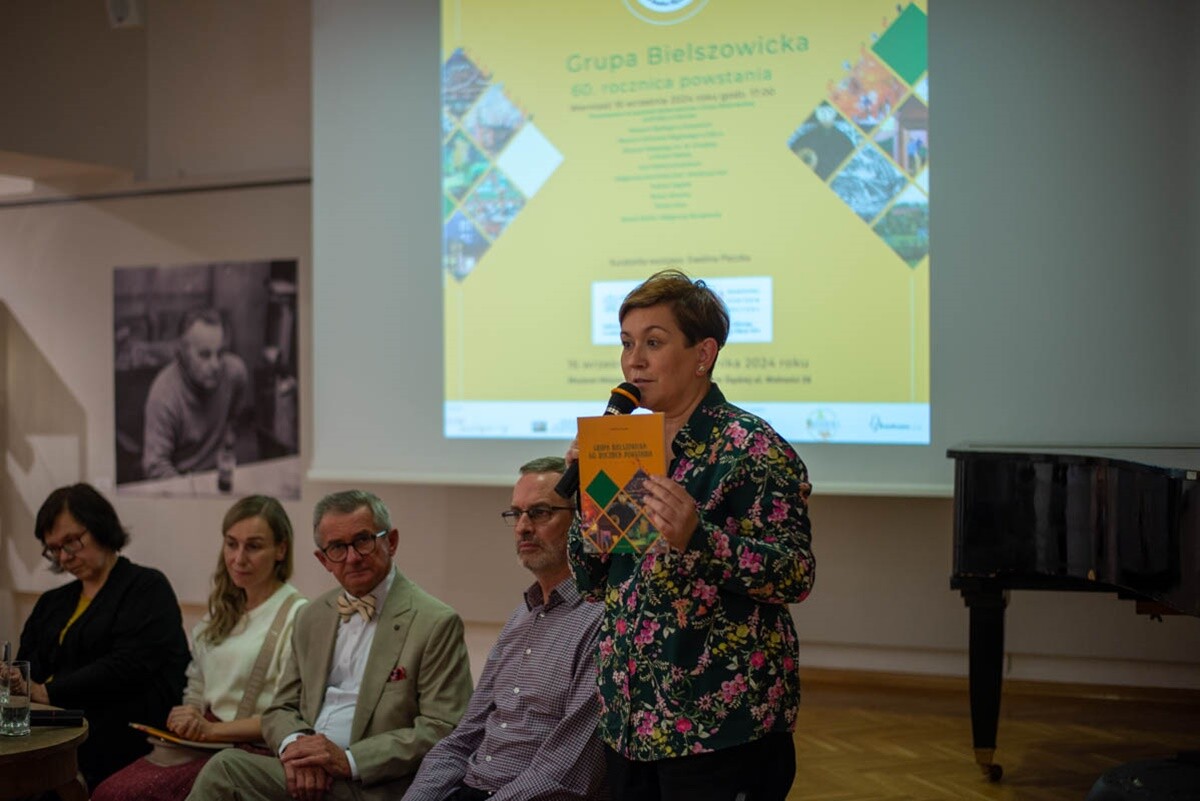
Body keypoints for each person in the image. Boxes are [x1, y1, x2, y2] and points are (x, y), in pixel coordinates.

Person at [568, 269, 816, 801]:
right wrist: (585, 498)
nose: (634, 361)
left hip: (719, 729)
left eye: (653, 343)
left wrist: (700, 540)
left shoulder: (750, 447)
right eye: (627, 343)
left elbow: (795, 575)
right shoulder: (625, 445)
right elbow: (592, 580)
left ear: (703, 354)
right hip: (630, 723)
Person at [186, 489, 473, 801]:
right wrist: (297, 748)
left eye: (363, 540)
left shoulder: (434, 622)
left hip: (375, 783)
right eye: (337, 547)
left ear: (391, 542)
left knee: (225, 770)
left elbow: (444, 728)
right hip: (305, 772)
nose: (352, 557)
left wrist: (349, 761)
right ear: (323, 560)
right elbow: (280, 708)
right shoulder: (312, 616)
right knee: (226, 768)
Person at [402, 457, 607, 801]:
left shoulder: (601, 620)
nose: (523, 527)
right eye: (516, 513)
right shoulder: (520, 618)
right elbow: (463, 739)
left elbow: (566, 772)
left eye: (540, 512)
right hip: (472, 787)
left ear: (583, 521)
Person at [91, 495, 308, 801]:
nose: (238, 558)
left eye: (254, 546)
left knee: (123, 794)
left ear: (281, 550)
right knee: (107, 791)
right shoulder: (223, 611)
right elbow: (197, 684)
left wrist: (210, 731)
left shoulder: (297, 614)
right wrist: (189, 713)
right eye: (231, 544)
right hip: (205, 743)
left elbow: (291, 715)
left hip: (249, 751)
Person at [17, 483, 191, 789]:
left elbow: (127, 667)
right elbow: (26, 666)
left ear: (100, 527)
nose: (64, 557)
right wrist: (15, 680)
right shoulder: (52, 602)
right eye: (54, 549)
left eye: (71, 542)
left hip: (119, 735)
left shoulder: (147, 587)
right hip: (52, 729)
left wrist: (47, 692)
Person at [142, 307, 249, 479]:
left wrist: (229, 430)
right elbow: (155, 466)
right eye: (205, 355)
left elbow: (235, 415)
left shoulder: (235, 372)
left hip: (219, 472)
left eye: (220, 353)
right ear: (182, 352)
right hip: (183, 479)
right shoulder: (164, 395)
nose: (215, 365)